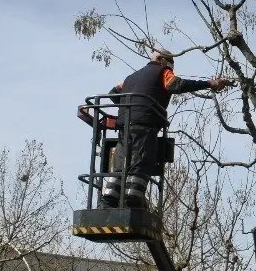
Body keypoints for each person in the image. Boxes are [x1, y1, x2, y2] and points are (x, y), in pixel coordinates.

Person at [99, 48, 232, 209]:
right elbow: (174, 85)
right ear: (163, 60)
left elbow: (113, 94)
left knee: (121, 163)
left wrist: (131, 110)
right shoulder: (163, 70)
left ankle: (107, 201)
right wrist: (209, 83)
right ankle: (132, 200)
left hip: (125, 125)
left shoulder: (130, 78)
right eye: (171, 66)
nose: (171, 70)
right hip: (145, 125)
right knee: (142, 161)